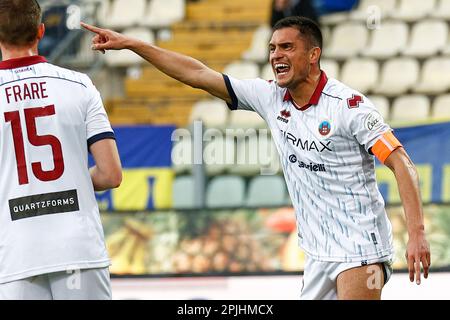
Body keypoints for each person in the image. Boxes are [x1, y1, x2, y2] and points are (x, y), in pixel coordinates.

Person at [81, 16, 431, 300]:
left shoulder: (349, 107)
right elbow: (199, 75)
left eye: (287, 47)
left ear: (313, 55)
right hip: (317, 253)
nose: (276, 55)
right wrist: (134, 44)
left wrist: (416, 233)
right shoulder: (270, 97)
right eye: (272, 48)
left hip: (360, 248)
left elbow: (401, 163)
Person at [0, 0, 122, 299]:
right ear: (40, 31)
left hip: (16, 254)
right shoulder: (79, 85)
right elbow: (110, 175)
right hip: (78, 249)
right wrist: (71, 180)